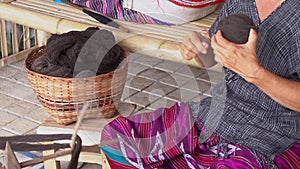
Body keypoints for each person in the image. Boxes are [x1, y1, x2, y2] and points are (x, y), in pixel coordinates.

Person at [100, 0, 300, 168]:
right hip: (217, 112)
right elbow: (214, 55)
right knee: (117, 140)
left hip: (277, 133)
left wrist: (255, 73)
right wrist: (199, 48)